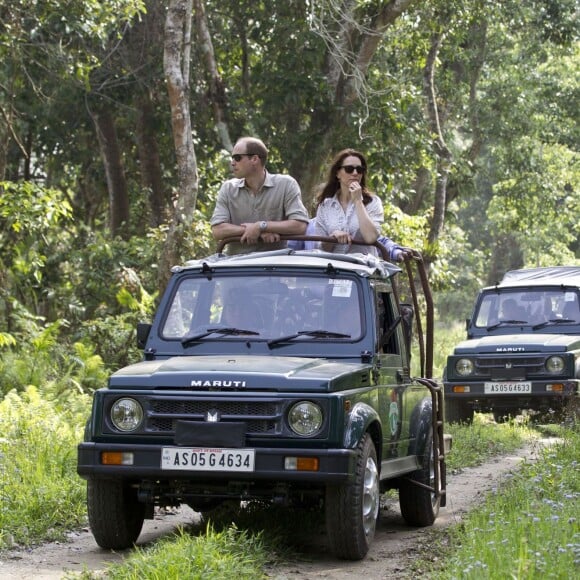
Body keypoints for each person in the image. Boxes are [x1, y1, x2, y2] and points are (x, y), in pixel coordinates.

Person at [210, 137, 309, 254]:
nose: (232, 163)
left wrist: (261, 226)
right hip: (236, 265)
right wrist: (255, 229)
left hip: (276, 264)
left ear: (254, 159)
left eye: (237, 158)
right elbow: (217, 230)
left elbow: (300, 225)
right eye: (232, 158)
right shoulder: (228, 188)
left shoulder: (286, 184)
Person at [314, 149, 384, 256]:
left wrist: (358, 201)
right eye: (349, 169)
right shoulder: (325, 205)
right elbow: (319, 247)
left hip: (362, 268)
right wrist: (332, 237)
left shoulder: (373, 202)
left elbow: (371, 237)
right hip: (332, 267)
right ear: (338, 173)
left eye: (359, 170)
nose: (355, 173)